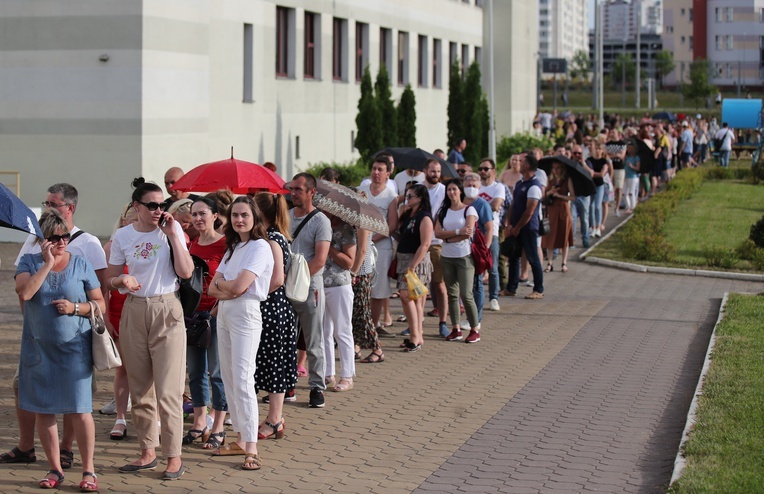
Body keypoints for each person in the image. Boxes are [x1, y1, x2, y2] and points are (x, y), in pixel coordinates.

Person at [3, 183, 107, 472]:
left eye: (64, 237)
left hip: (75, 347)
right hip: (38, 347)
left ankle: (85, 466)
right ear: (42, 239)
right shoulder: (29, 259)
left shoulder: (83, 257)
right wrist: (47, 265)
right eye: (55, 238)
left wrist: (75, 308)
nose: (62, 242)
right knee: (43, 409)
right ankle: (53, 468)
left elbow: (100, 301)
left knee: (78, 408)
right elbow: (24, 293)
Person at [107, 178, 193, 480]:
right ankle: (147, 451)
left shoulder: (172, 230)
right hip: (134, 308)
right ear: (136, 206)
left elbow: (186, 272)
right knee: (140, 386)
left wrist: (172, 235)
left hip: (166, 307)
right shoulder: (122, 236)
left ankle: (173, 455)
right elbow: (112, 277)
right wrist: (122, 282)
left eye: (162, 205)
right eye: (152, 205)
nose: (158, 210)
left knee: (168, 390)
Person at [208, 196, 273, 471]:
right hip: (225, 312)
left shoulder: (260, 247)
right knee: (230, 378)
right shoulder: (234, 247)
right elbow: (213, 288)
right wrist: (228, 286)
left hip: (245, 313)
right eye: (235, 215)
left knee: (244, 379)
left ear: (254, 217)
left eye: (244, 215)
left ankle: (252, 447)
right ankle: (240, 440)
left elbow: (239, 288)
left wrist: (227, 286)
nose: (239, 220)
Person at [183, 198, 228, 450]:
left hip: (216, 314)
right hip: (193, 315)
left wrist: (218, 310)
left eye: (203, 214)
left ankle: (219, 424)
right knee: (196, 371)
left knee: (218, 372)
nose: (198, 219)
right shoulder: (191, 245)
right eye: (194, 214)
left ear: (215, 216)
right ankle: (200, 422)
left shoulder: (226, 245)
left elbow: (231, 280)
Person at [253, 193, 297, 437]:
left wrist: (252, 292)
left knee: (274, 366)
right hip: (275, 309)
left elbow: (277, 278)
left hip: (272, 309)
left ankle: (274, 419)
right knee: (272, 364)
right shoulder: (275, 237)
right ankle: (273, 418)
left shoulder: (272, 239)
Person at [288, 173, 331, 408]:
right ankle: (287, 384)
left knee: (313, 340)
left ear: (311, 192)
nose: (293, 193)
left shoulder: (320, 221)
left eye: (298, 189)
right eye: (291, 188)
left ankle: (316, 387)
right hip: (285, 288)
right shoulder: (285, 216)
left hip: (309, 288)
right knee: (286, 340)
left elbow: (320, 259)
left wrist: (298, 282)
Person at [102, 204, 138, 442]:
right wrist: (105, 319)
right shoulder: (111, 246)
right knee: (123, 368)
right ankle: (121, 417)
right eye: (131, 219)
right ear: (123, 221)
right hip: (117, 311)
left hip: (142, 311)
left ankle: (150, 417)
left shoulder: (151, 243)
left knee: (147, 369)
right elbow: (104, 285)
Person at [434, 179, 481, 343]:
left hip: (464, 256)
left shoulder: (469, 210)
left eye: (454, 189)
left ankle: (475, 328)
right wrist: (456, 232)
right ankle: (456, 327)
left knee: (466, 294)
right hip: (447, 257)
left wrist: (449, 237)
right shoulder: (443, 211)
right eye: (449, 190)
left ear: (460, 191)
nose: (451, 192)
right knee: (452, 294)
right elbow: (438, 233)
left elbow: (468, 232)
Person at [358, 156, 399, 336]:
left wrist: (371, 239)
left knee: (378, 288)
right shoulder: (362, 190)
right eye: (374, 168)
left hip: (381, 247)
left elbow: (392, 225)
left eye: (380, 170)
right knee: (360, 285)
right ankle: (360, 323)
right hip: (360, 245)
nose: (376, 173)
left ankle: (372, 327)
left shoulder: (391, 197)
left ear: (388, 174)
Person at [393, 183, 433, 352]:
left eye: (410, 196)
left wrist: (413, 266)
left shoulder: (425, 217)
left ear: (420, 198)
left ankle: (415, 337)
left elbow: (425, 244)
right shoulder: (408, 214)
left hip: (416, 262)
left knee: (406, 295)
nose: (407, 198)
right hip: (404, 259)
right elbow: (401, 235)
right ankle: (417, 335)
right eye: (406, 195)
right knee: (413, 299)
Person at [322, 213, 357, 390]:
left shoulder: (346, 230)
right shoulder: (322, 225)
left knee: (342, 330)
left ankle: (347, 375)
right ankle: (328, 373)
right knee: (324, 330)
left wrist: (329, 248)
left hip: (339, 284)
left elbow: (349, 262)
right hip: (320, 284)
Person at [504, 155, 544, 300]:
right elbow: (513, 205)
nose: (518, 164)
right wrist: (509, 223)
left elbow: (530, 211)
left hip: (528, 228)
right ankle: (511, 288)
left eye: (521, 162)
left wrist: (518, 227)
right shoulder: (520, 183)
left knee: (533, 258)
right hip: (515, 227)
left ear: (527, 166)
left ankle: (538, 289)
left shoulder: (534, 186)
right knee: (514, 256)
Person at [461, 173, 493, 328]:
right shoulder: (459, 202)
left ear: (479, 187)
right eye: (468, 185)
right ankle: (467, 315)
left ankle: (476, 319)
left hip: (476, 249)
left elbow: (489, 228)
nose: (471, 188)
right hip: (459, 247)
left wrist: (485, 249)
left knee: (477, 283)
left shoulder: (482, 204)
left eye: (474, 185)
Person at [423, 158, 450, 337]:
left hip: (437, 243)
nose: (436, 175)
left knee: (439, 284)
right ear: (425, 171)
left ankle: (443, 322)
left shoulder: (444, 191)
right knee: (418, 285)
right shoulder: (418, 188)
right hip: (420, 243)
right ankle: (416, 322)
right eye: (433, 171)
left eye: (438, 171)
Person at [477, 158, 504, 312]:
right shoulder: (476, 186)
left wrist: (477, 207)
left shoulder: (498, 187)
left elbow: (495, 205)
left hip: (491, 231)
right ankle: (477, 296)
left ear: (493, 171)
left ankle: (493, 297)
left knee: (492, 266)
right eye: (480, 168)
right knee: (477, 266)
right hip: (475, 231)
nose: (482, 171)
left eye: (486, 169)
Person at [541, 161, 575, 272]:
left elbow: (573, 197)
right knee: (550, 237)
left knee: (564, 236)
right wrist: (551, 192)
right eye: (554, 168)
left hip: (563, 210)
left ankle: (564, 262)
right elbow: (543, 195)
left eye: (558, 168)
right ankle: (549, 263)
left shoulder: (567, 180)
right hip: (551, 210)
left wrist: (560, 195)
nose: (556, 170)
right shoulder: (549, 180)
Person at [585, 141, 610, 239]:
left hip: (599, 185)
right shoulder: (589, 160)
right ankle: (593, 226)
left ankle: (598, 227)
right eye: (596, 148)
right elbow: (586, 168)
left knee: (597, 206)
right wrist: (591, 172)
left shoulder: (603, 161)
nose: (598, 151)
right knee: (591, 206)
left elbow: (602, 174)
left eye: (599, 149)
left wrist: (592, 173)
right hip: (591, 185)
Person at [569, 145, 591, 248]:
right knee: (572, 219)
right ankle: (572, 241)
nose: (577, 155)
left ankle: (585, 239)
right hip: (573, 196)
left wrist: (583, 163)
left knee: (584, 219)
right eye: (575, 153)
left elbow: (591, 174)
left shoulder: (587, 163)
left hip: (584, 195)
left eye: (579, 153)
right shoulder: (569, 164)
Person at [624, 142, 641, 214]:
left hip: (633, 176)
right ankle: (628, 207)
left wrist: (632, 166)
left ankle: (632, 207)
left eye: (630, 148)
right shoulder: (626, 157)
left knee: (631, 192)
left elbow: (638, 168)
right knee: (624, 193)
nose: (629, 150)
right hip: (626, 176)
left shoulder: (636, 158)